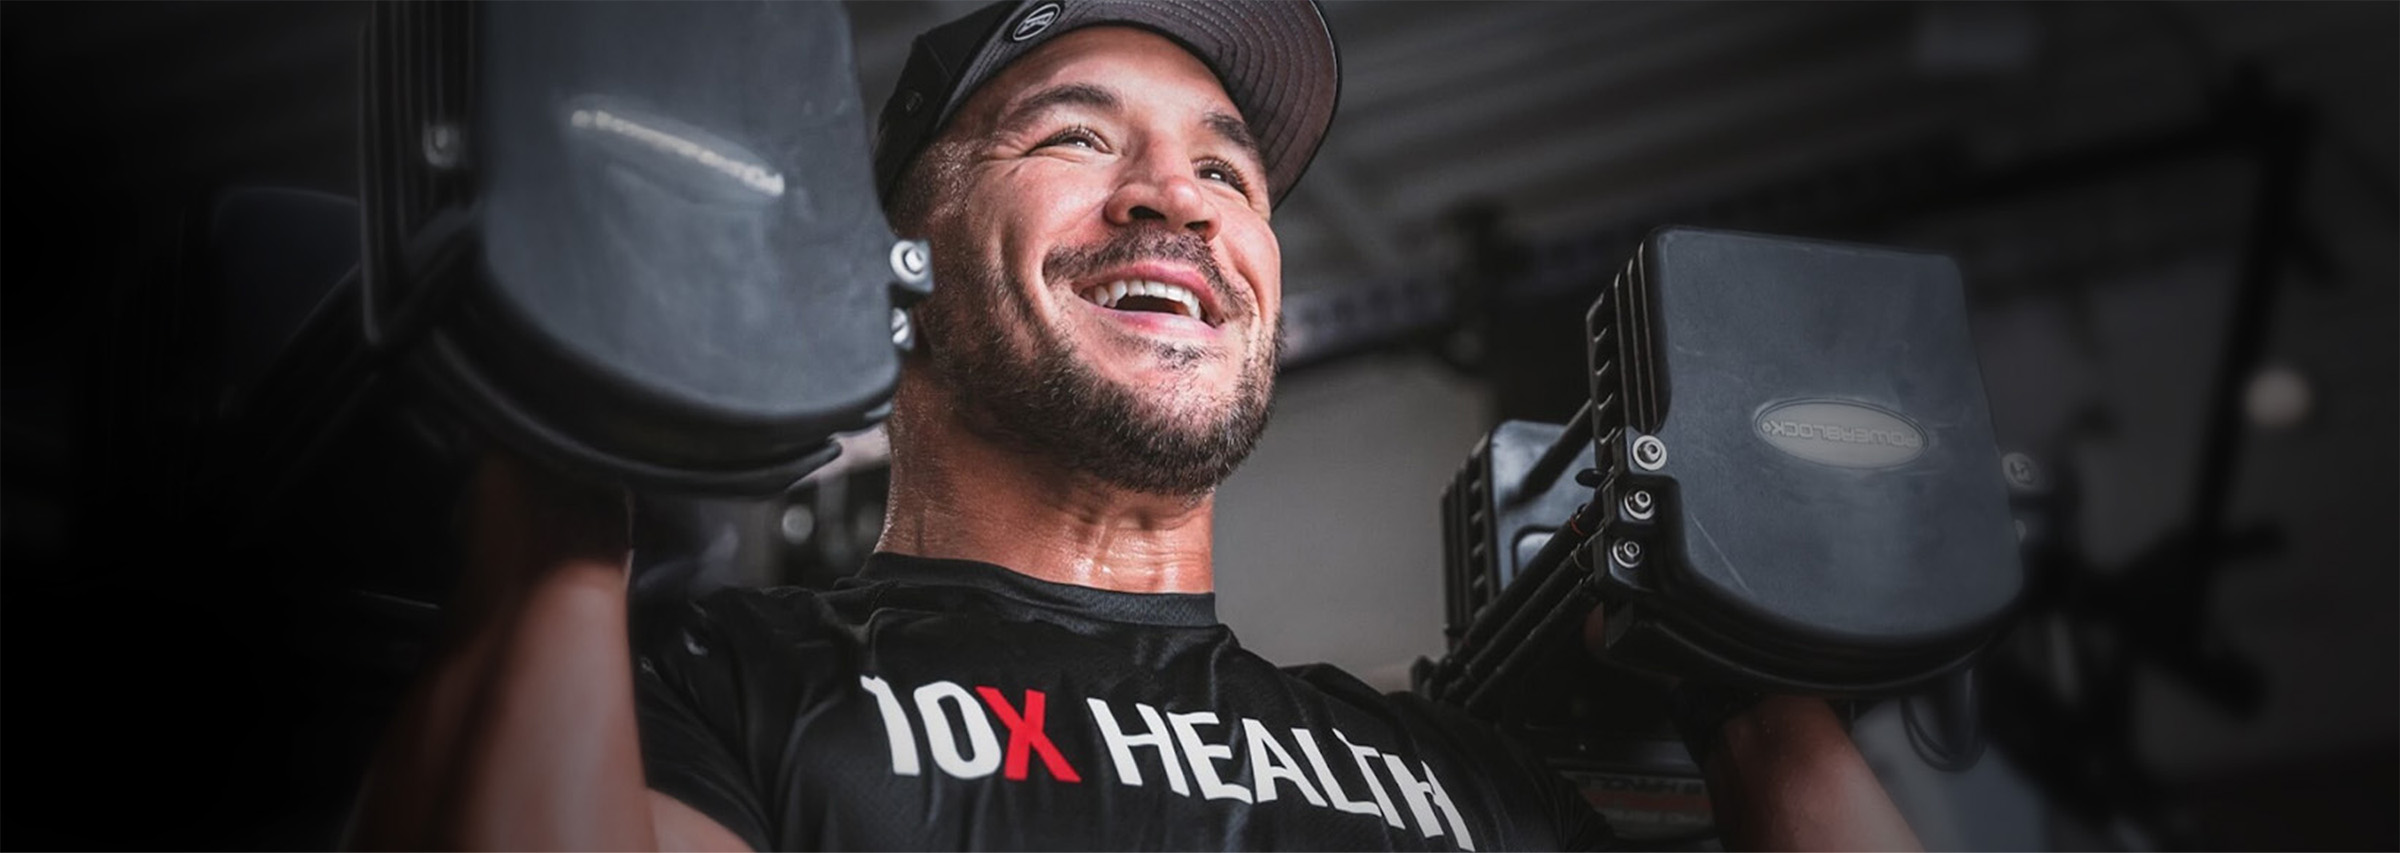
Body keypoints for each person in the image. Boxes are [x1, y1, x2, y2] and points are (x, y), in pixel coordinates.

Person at [346, 1, 1922, 850]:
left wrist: (1759, 692)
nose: (1176, 196)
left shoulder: (1463, 779)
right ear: (899, 261)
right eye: (1076, 137)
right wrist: (577, 434)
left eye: (1228, 169)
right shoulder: (715, 686)